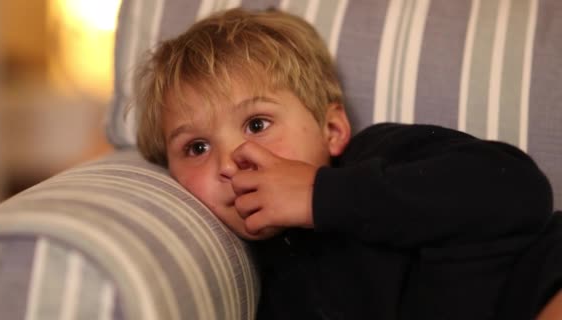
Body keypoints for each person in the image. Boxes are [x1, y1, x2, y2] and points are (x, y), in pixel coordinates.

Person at [132, 8, 559, 320]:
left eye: (257, 123)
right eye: (197, 148)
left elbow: (519, 191)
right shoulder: (268, 282)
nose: (230, 162)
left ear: (332, 129)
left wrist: (322, 195)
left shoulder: (381, 156)